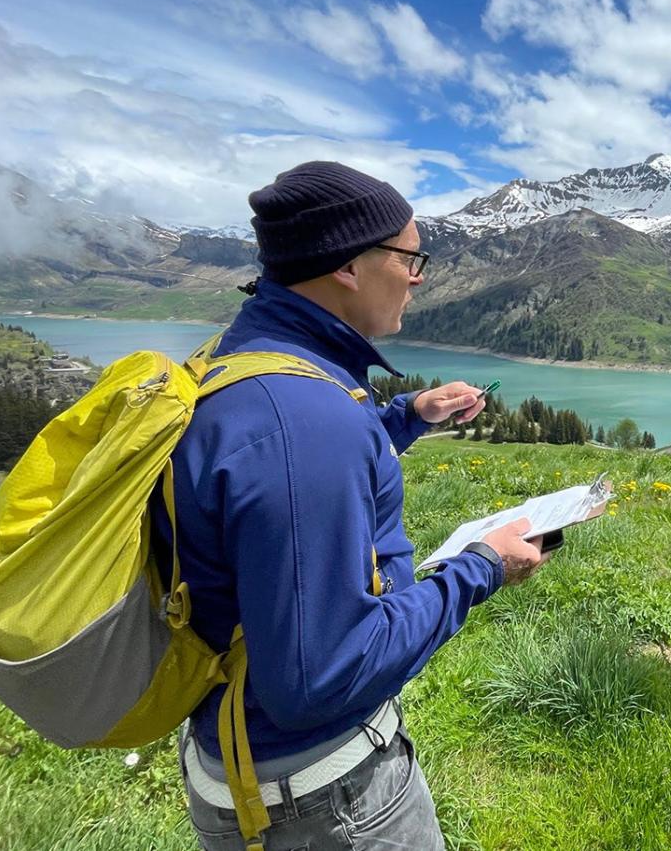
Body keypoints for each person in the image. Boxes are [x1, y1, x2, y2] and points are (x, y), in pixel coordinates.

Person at [155, 160, 548, 849]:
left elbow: (279, 469)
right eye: (409, 257)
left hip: (248, 761)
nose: (419, 276)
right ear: (346, 266)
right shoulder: (301, 417)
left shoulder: (247, 357)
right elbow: (320, 678)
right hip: (324, 803)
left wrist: (405, 418)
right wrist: (482, 566)